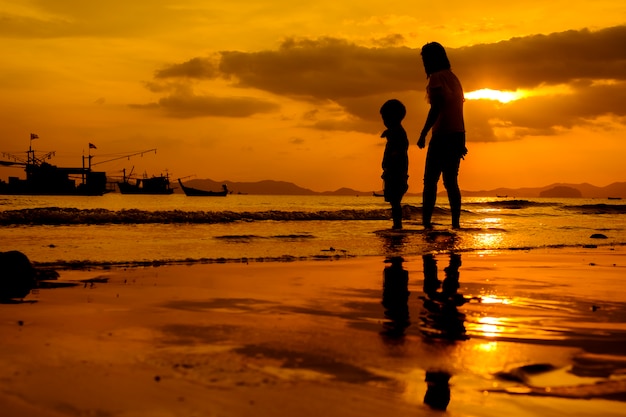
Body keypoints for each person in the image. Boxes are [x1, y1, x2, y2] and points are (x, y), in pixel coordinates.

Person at [417, 42, 467, 229]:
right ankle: (455, 223)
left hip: (442, 135)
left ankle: (426, 223)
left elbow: (436, 108)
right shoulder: (454, 78)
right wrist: (462, 138)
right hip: (456, 134)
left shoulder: (436, 79)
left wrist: (423, 133)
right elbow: (460, 111)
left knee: (430, 182)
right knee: (451, 182)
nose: (423, 63)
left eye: (424, 59)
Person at [380, 99, 409, 230]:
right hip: (393, 171)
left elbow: (403, 147)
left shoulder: (399, 132)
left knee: (395, 201)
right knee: (394, 201)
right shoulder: (394, 131)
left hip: (396, 172)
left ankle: (397, 225)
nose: (384, 121)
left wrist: (393, 158)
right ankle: (396, 224)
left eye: (385, 118)